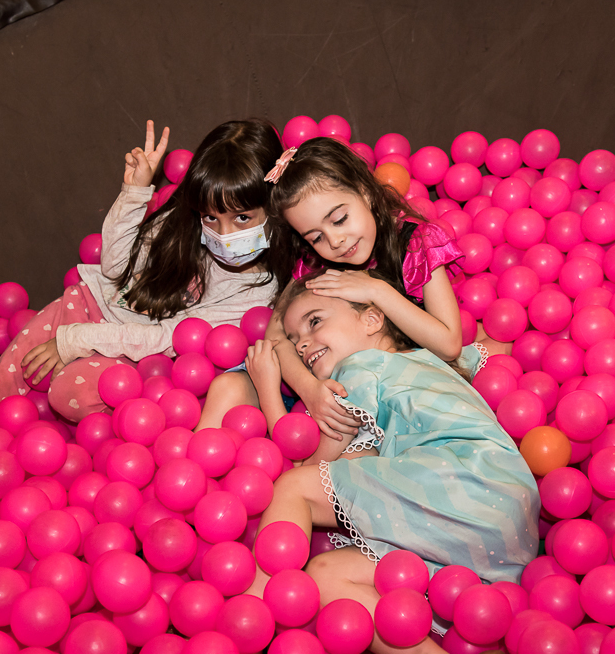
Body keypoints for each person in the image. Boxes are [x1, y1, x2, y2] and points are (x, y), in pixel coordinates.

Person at [244, 274, 541, 654]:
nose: (305, 345)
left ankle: (246, 642)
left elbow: (312, 466)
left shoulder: (362, 367)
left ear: (372, 319)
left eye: (316, 322)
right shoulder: (434, 360)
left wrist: (270, 391)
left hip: (460, 480)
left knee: (292, 488)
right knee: (322, 578)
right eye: (296, 342)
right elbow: (487, 348)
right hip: (500, 523)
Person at [0, 118, 288, 439]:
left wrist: (77, 342)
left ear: (272, 208)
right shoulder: (180, 225)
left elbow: (164, 337)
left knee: (70, 392)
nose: (224, 234)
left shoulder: (255, 293)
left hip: (133, 353)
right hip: (85, 307)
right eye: (211, 218)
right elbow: (115, 268)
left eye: (242, 218)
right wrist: (134, 192)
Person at [198, 136, 488, 440]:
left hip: (380, 395)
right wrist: (310, 391)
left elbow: (449, 343)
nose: (335, 241)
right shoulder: (314, 264)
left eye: (339, 219)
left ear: (364, 191)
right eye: (316, 237)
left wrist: (375, 291)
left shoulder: (416, 245)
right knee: (226, 387)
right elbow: (275, 338)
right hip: (312, 388)